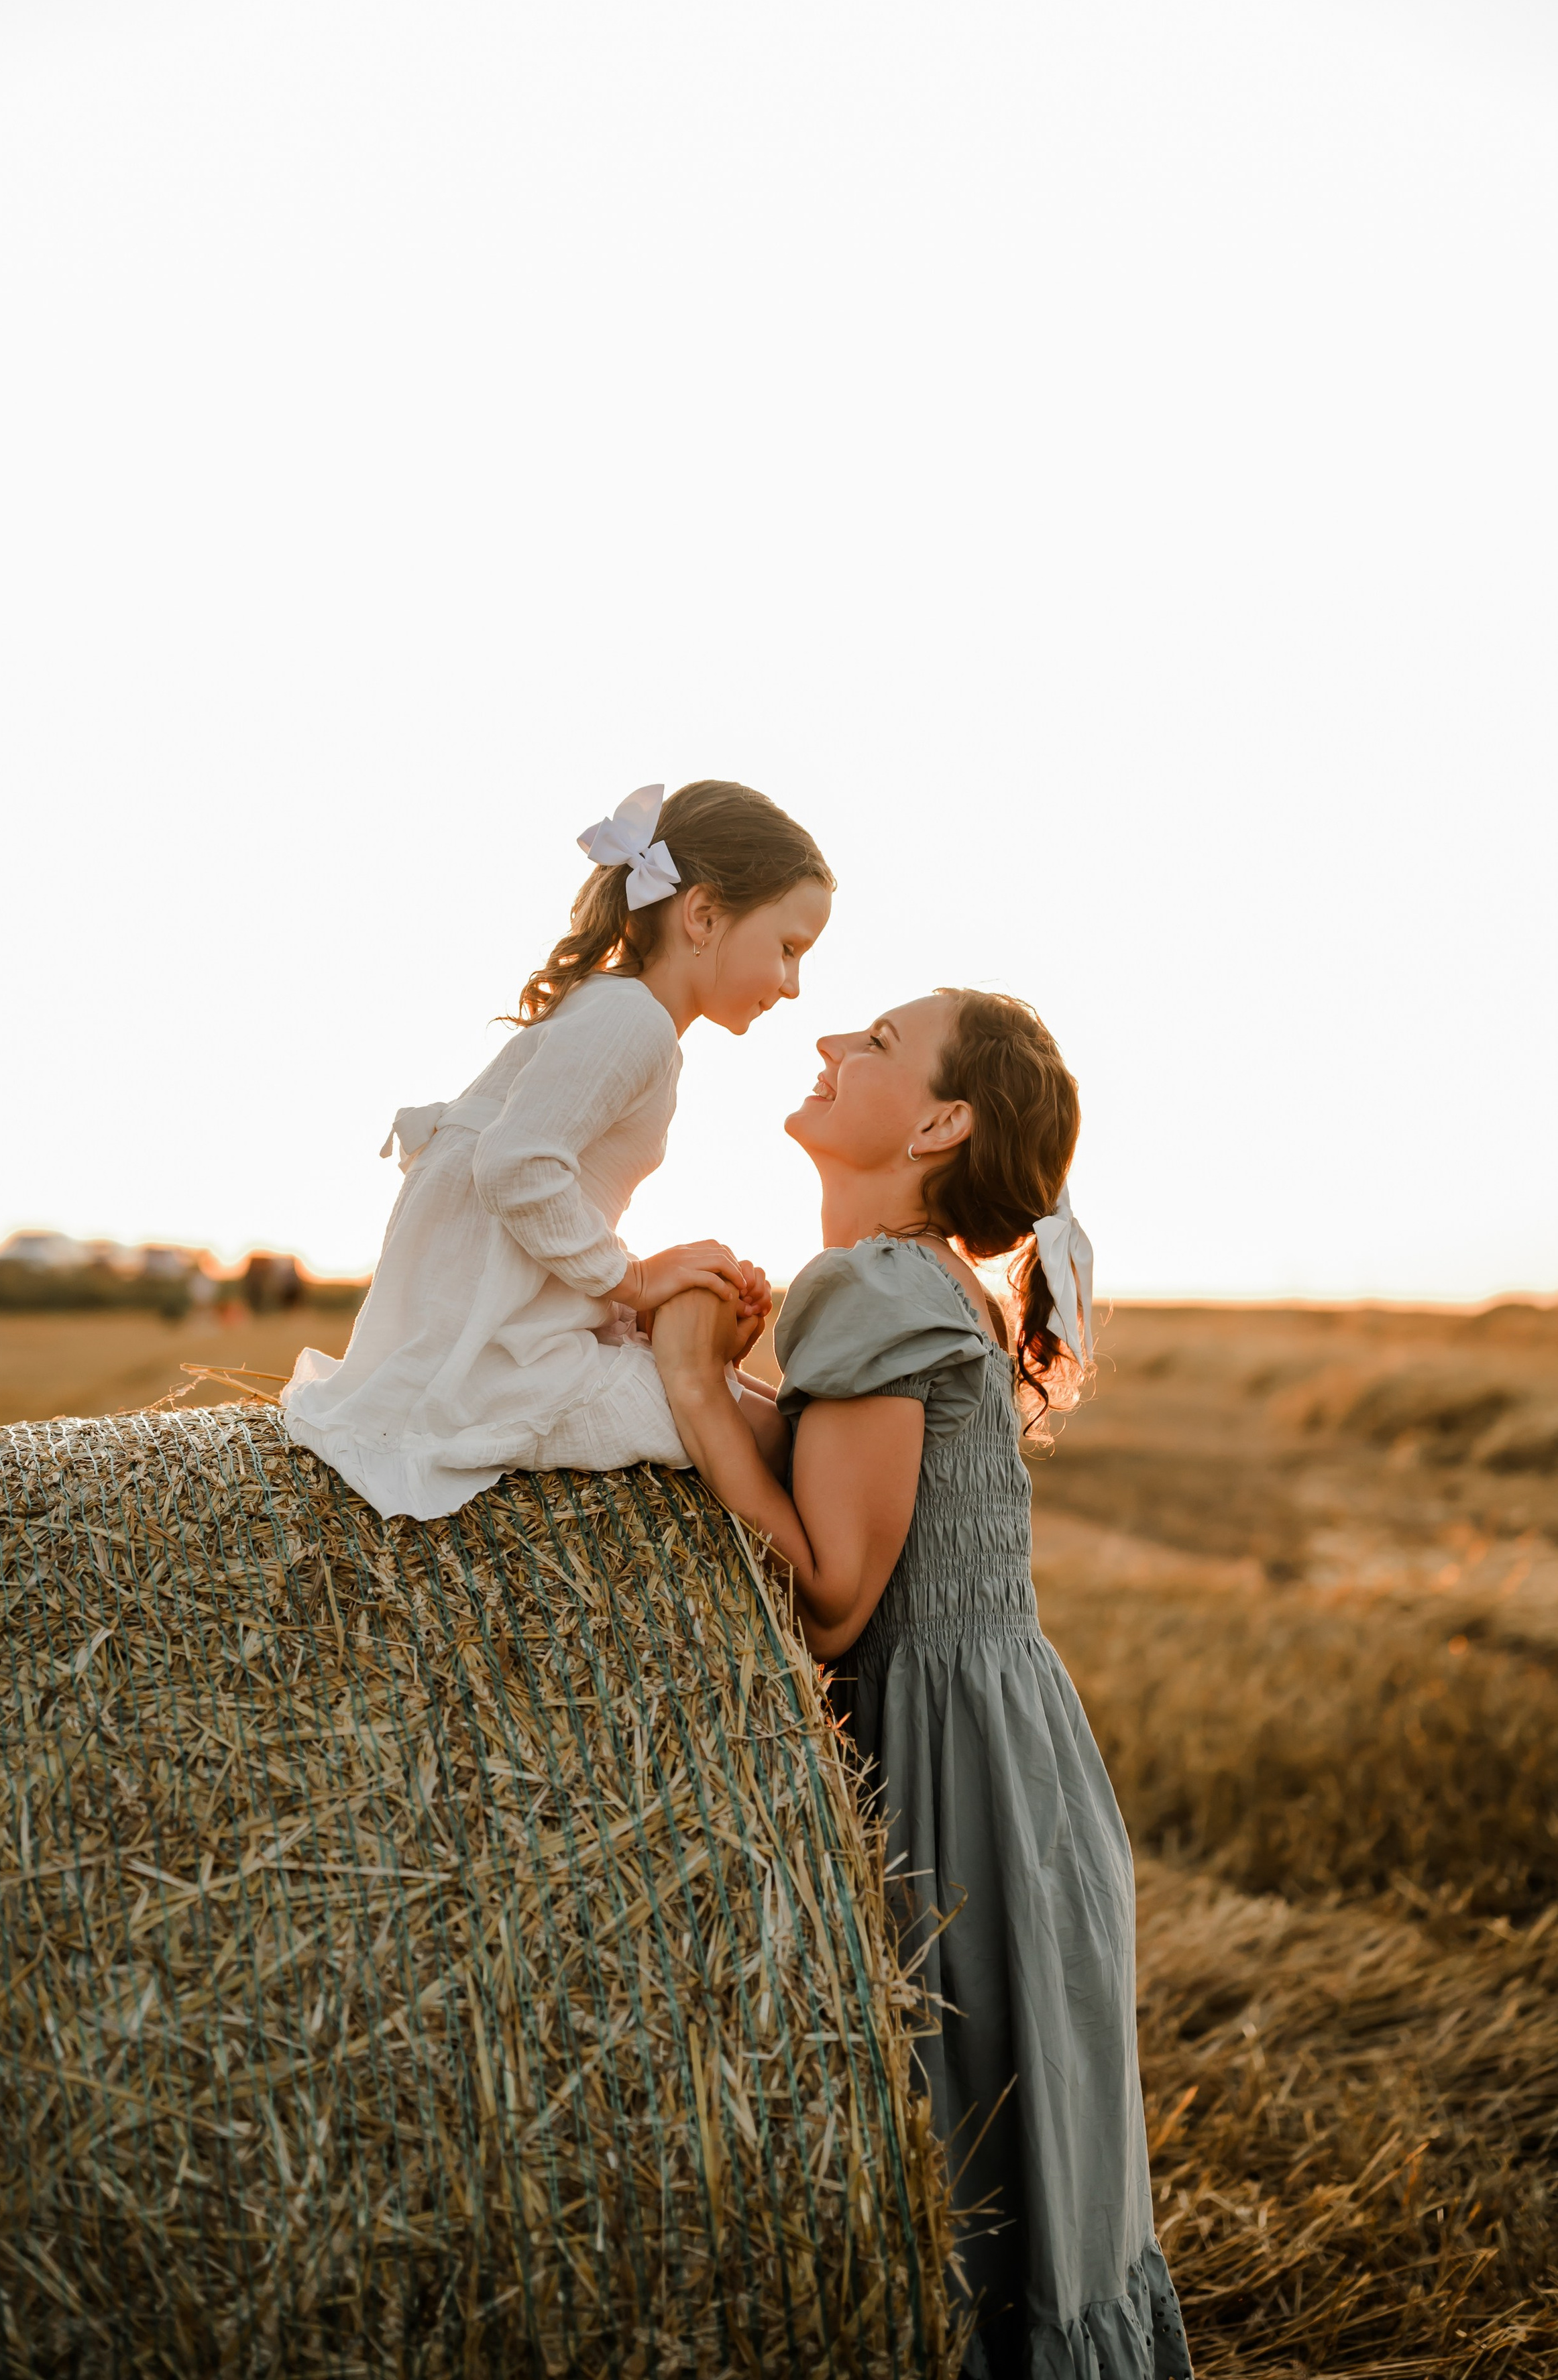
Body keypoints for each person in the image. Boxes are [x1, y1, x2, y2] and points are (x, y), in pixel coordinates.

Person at [652, 990, 1192, 2380]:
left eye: (874, 1042)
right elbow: (853, 1479)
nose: (829, 1046)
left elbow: (833, 1599)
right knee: (1021, 2143)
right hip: (1010, 1751)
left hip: (946, 1773)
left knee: (952, 2145)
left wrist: (697, 1389)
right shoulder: (922, 1280)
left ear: (940, 1123)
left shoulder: (876, 1284)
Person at [282, 780, 830, 1521]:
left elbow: (533, 1194)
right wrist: (632, 1279)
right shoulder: (632, 1022)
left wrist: (634, 1306)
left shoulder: (619, 1012)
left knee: (751, 1403)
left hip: (503, 1329)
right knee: (764, 1435)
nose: (794, 985)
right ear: (702, 914)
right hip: (488, 1361)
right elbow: (515, 1166)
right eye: (789, 948)